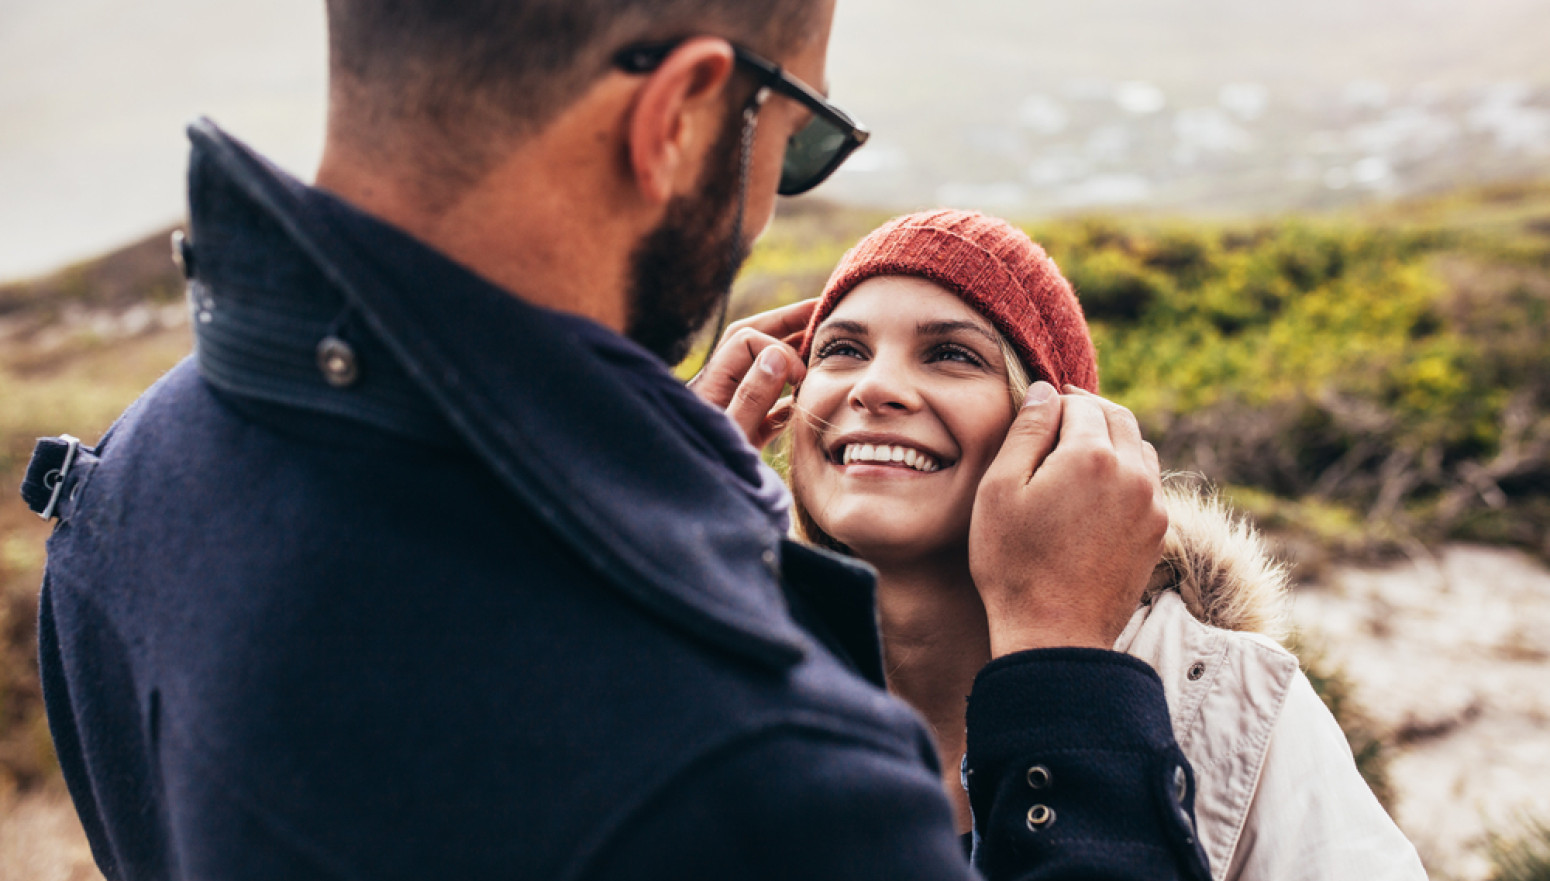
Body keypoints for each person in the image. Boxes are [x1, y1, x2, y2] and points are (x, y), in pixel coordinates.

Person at [21, 3, 1208, 880]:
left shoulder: (128, 481)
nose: (768, 210)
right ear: (680, 114)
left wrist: (636, 518)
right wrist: (1061, 667)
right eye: (796, 141)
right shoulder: (760, 772)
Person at [706, 209, 1425, 880]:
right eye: (841, 349)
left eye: (952, 354)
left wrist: (1060, 662)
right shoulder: (718, 673)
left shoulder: (1230, 703)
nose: (876, 385)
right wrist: (653, 526)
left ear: (1058, 433)